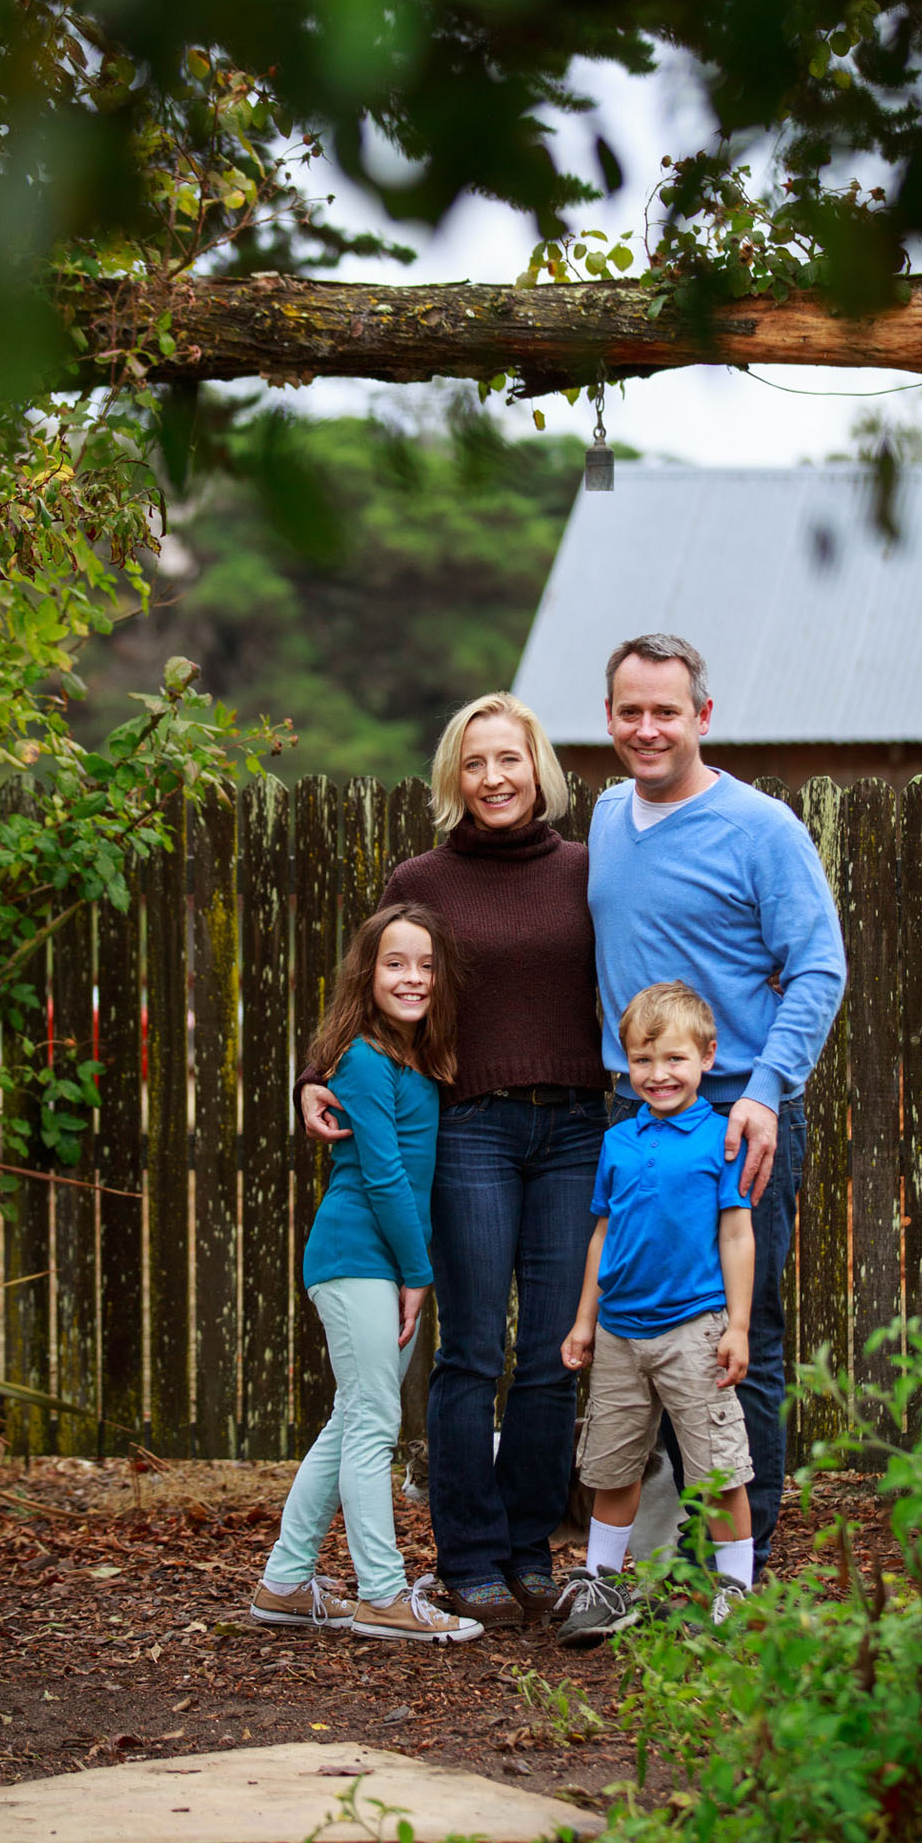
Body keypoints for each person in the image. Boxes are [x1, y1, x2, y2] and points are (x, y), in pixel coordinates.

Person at [297, 692, 608, 1628]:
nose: (493, 779)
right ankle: (468, 1555)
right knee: (471, 1350)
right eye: (473, 764)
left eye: (508, 760)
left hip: (578, 1130)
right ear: (452, 777)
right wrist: (318, 1073)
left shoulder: (590, 874)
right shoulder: (421, 877)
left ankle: (528, 1553)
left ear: (538, 768)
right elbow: (376, 985)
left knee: (554, 1354)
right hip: (469, 1128)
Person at [587, 634, 846, 1581]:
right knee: (636, 1330)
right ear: (608, 718)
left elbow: (819, 966)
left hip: (736, 1113)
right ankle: (646, 1557)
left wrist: (769, 1093)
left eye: (665, 710)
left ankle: (735, 1563)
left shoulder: (761, 827)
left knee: (741, 1337)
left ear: (702, 715)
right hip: (632, 1115)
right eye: (628, 711)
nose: (646, 728)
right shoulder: (610, 817)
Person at [252, 904, 483, 1644]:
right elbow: (382, 1176)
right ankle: (382, 1594)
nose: (411, 977)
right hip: (358, 1258)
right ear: (367, 972)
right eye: (394, 963)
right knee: (374, 1423)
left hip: (381, 1263)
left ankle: (284, 1584)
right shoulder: (361, 1058)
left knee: (351, 1418)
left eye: (425, 964)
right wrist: (419, 1273)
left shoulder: (415, 1056)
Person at [555, 981, 755, 1645]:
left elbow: (735, 1234)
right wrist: (585, 1321)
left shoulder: (720, 1138)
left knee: (717, 1470)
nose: (657, 1074)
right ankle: (604, 1585)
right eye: (642, 1061)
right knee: (611, 1468)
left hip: (692, 1329)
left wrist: (737, 1325)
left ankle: (734, 1593)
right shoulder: (618, 1141)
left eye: (672, 1059)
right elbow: (602, 1236)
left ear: (706, 1057)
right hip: (617, 1332)